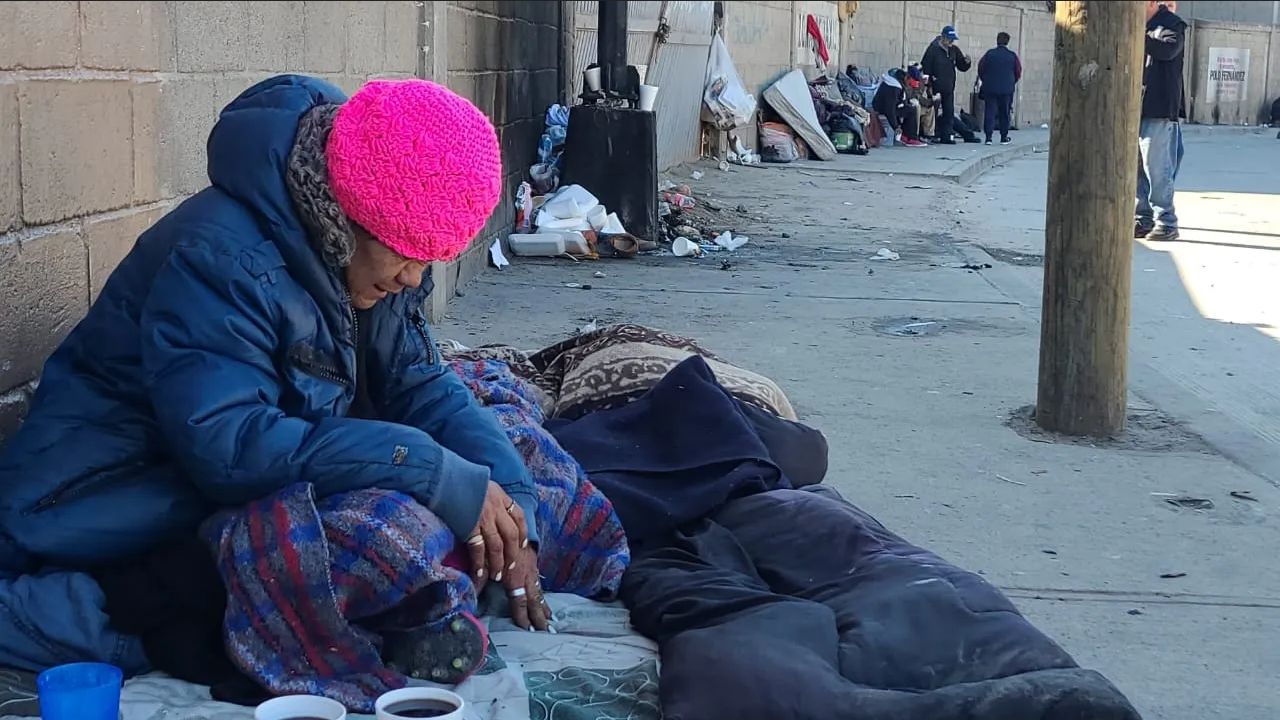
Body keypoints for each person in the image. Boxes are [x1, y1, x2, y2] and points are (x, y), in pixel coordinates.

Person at [0, 74, 551, 676]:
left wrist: (512, 518)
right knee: (317, 558)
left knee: (515, 460)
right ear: (350, 212)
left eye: (430, 259)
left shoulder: (368, 248)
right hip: (100, 499)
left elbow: (421, 385)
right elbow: (232, 448)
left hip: (210, 484)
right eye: (405, 253)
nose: (414, 279)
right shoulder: (221, 257)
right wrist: (426, 467)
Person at [1136, 0, 1187, 242]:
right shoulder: (1140, 24)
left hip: (1159, 107)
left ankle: (1166, 220)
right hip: (1135, 107)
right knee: (1136, 169)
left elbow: (1167, 50)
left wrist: (1136, 35)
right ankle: (1141, 217)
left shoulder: (1171, 24)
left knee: (1156, 167)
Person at [920, 25, 972, 144]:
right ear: (943, 38)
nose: (951, 42)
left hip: (949, 87)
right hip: (935, 86)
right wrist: (928, 86)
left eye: (953, 39)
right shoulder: (933, 50)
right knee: (933, 110)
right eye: (949, 39)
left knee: (948, 112)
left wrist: (967, 63)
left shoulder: (954, 50)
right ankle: (931, 134)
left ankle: (947, 136)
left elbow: (961, 66)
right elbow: (926, 67)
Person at [977, 31, 1022, 145]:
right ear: (1007, 42)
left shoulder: (989, 54)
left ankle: (988, 138)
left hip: (990, 88)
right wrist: (1011, 82)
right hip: (1006, 89)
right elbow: (1018, 71)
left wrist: (986, 80)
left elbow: (981, 68)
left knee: (990, 112)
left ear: (997, 41)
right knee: (1004, 112)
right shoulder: (1012, 56)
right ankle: (1003, 137)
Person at [872, 68, 928, 148]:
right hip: (882, 108)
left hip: (889, 106)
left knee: (910, 109)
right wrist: (895, 127)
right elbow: (889, 109)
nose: (909, 86)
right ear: (906, 78)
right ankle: (910, 138)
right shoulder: (894, 88)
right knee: (911, 111)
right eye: (909, 83)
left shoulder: (897, 84)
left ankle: (906, 136)